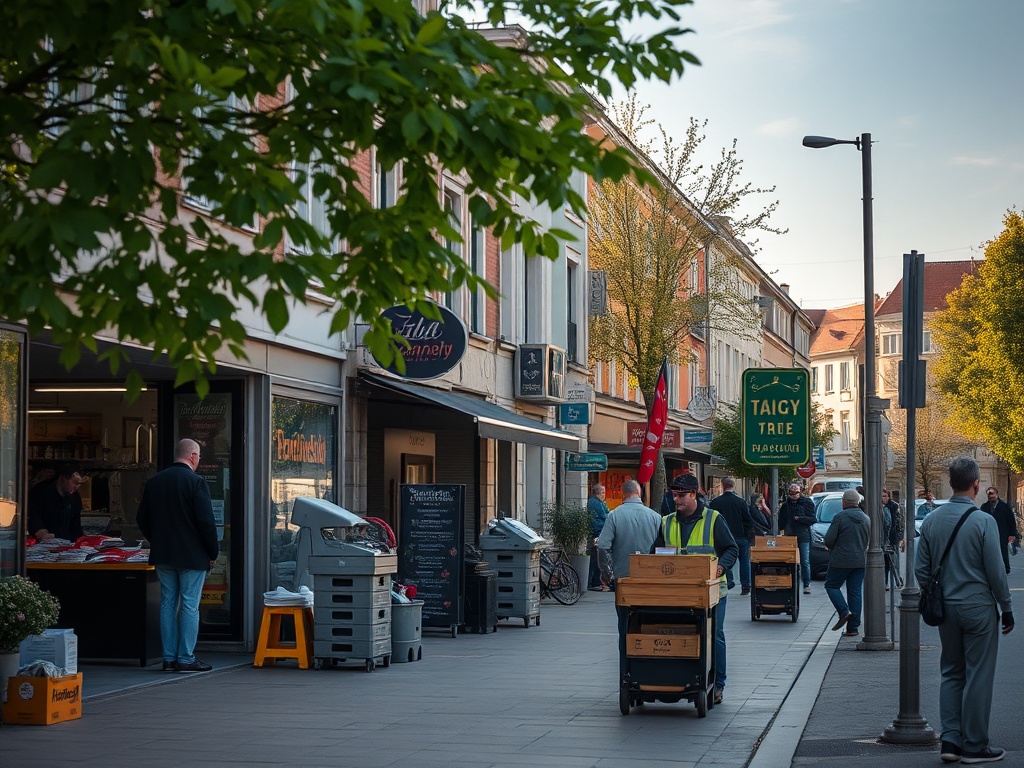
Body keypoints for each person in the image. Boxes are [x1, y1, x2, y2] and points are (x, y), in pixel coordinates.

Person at [915, 456, 1013, 764]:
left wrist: (937, 592)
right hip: (979, 607)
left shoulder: (931, 520)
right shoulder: (983, 521)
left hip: (946, 608)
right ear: (976, 485)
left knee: (951, 672)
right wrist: (1006, 607)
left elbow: (921, 569)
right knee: (978, 675)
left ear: (951, 482)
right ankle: (975, 745)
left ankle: (950, 740)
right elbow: (996, 571)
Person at [653, 473, 738, 705]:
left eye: (681, 495)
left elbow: (731, 549)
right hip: (679, 592)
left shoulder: (713, 518)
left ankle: (718, 684)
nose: (676, 500)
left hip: (713, 591)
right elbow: (657, 553)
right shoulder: (667, 521)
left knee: (714, 634)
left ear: (694, 494)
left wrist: (720, 567)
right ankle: (683, 679)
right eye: (674, 495)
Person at [137, 438, 219, 673]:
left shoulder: (154, 482)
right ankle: (185, 657)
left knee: (167, 604)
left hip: (164, 554)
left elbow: (142, 519)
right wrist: (212, 551)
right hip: (192, 556)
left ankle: (168, 657)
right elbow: (206, 522)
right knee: (190, 605)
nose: (199, 460)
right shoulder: (196, 482)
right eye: (199, 456)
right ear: (192, 456)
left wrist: (158, 540)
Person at [597, 478, 661, 672]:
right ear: (639, 493)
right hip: (650, 579)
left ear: (623, 494)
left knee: (624, 624)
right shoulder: (655, 517)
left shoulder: (615, 515)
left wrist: (606, 572)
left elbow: (602, 546)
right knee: (649, 622)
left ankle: (627, 667)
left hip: (624, 578)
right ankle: (648, 664)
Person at [824, 489, 870, 638]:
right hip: (859, 561)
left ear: (844, 502)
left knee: (831, 586)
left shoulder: (840, 517)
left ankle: (844, 611)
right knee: (855, 592)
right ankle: (853, 627)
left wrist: (831, 546)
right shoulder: (866, 518)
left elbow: (829, 540)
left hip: (840, 560)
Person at [709, 476, 755, 595]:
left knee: (724, 560)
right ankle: (746, 585)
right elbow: (748, 520)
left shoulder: (715, 502)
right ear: (733, 486)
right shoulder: (741, 502)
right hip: (740, 536)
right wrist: (747, 536)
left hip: (722, 538)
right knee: (744, 561)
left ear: (722, 486)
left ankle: (729, 581)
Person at [27, 463, 85, 542]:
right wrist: (40, 531)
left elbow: (76, 526)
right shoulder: (40, 491)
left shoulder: (75, 497)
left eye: (79, 484)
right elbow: (32, 515)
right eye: (75, 483)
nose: (77, 487)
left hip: (67, 542)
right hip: (42, 542)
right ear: (64, 477)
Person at [778, 483, 816, 594]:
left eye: (796, 492)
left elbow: (813, 519)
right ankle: (790, 583)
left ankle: (806, 584)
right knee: (790, 560)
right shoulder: (786, 506)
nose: (794, 495)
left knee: (804, 561)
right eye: (791, 492)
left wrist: (799, 518)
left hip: (803, 534)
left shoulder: (807, 503)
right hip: (790, 535)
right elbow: (781, 521)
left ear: (800, 492)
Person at [980, 486, 1019, 575]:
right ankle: (991, 568)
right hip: (989, 534)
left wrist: (1012, 534)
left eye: (992, 494)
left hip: (1002, 533)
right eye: (988, 494)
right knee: (990, 552)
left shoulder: (1005, 507)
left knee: (1003, 551)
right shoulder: (984, 507)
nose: (990, 496)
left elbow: (1011, 521)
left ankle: (1006, 568)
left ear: (997, 494)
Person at [587, 484, 610, 591]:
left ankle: (595, 581)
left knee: (597, 558)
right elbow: (605, 515)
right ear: (599, 493)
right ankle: (593, 581)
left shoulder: (596, 502)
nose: (604, 495)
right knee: (596, 559)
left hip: (597, 531)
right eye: (603, 493)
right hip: (597, 532)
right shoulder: (596, 503)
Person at [882, 488, 902, 589]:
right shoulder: (879, 508)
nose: (883, 498)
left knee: (895, 561)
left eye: (885, 496)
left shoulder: (894, 506)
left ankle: (897, 580)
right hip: (883, 539)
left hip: (893, 538)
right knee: (885, 562)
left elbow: (899, 523)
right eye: (882, 496)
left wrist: (900, 537)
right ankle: (886, 582)